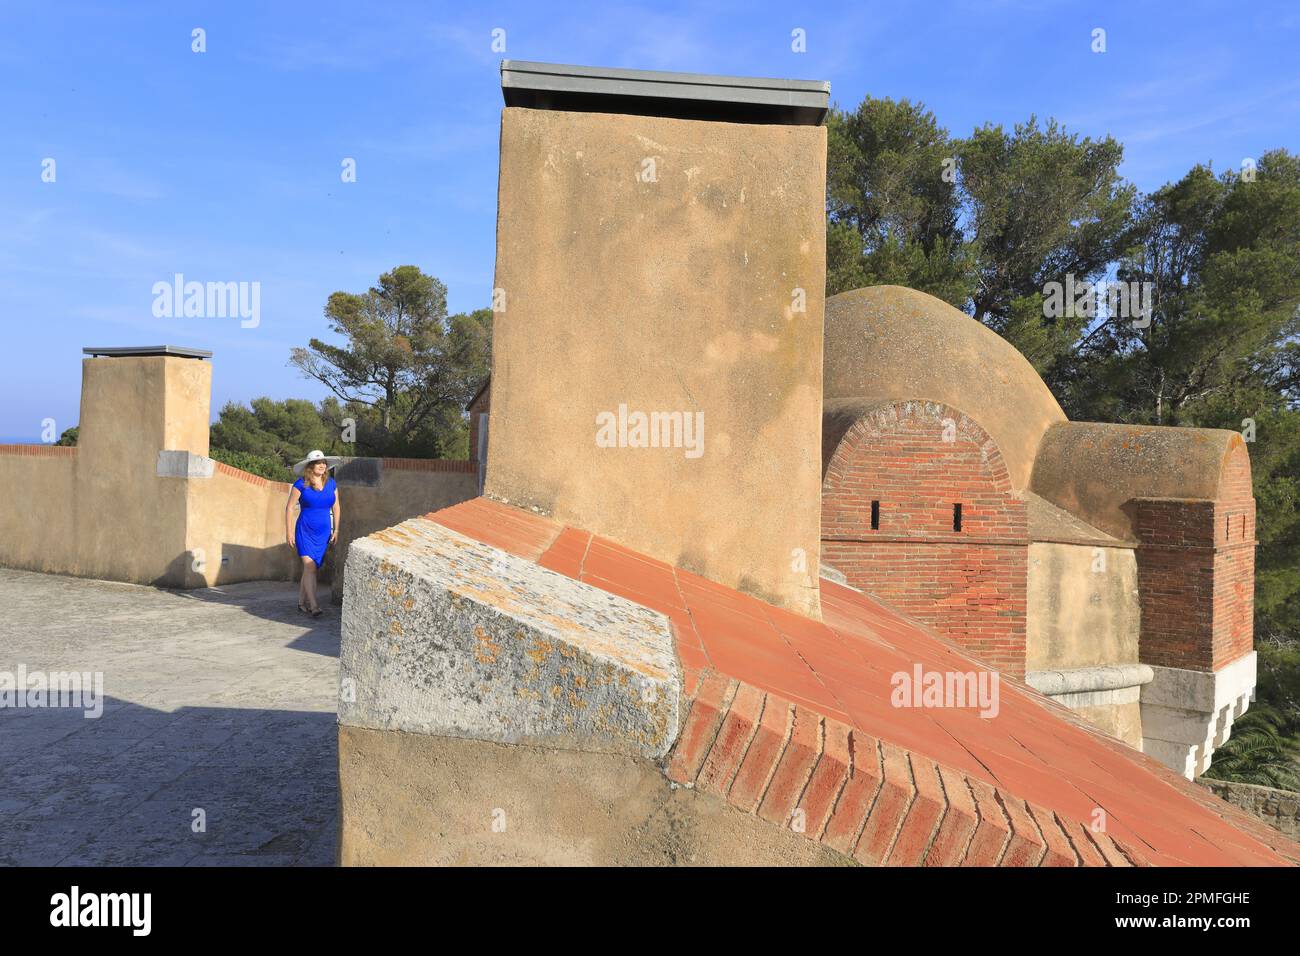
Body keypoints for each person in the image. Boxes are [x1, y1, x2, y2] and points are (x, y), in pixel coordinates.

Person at [286, 449, 342, 616]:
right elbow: (289, 508)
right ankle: (314, 605)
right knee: (310, 567)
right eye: (318, 463)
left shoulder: (331, 483)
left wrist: (336, 529)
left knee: (310, 568)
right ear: (310, 466)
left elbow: (336, 507)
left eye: (324, 463)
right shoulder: (301, 484)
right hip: (305, 531)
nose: (322, 465)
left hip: (323, 533)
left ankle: (301, 602)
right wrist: (289, 532)